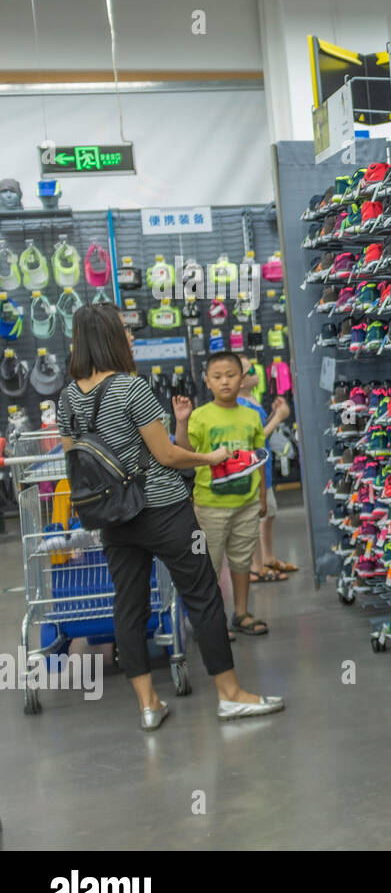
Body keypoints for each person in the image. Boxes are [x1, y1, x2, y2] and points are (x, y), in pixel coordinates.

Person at [57, 303, 283, 730]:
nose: (130, 336)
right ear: (108, 337)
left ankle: (147, 704)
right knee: (202, 594)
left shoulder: (66, 397)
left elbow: (74, 458)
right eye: (124, 330)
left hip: (112, 517)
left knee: (129, 605)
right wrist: (209, 456)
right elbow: (167, 456)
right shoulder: (130, 387)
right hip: (163, 510)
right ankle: (230, 695)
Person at [174, 351, 269, 636]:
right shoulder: (200, 416)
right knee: (209, 564)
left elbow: (258, 459)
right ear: (207, 382)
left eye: (231, 375)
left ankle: (241, 613)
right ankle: (211, 619)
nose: (225, 381)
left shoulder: (252, 417)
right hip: (210, 506)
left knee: (241, 561)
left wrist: (262, 496)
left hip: (246, 502)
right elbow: (184, 451)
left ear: (242, 379)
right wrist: (181, 420)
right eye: (217, 377)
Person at [236, 354, 295, 582]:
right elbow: (255, 437)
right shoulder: (241, 405)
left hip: (265, 468)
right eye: (251, 371)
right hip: (255, 471)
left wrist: (273, 414)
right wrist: (279, 417)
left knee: (269, 513)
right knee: (257, 516)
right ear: (240, 381)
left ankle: (268, 558)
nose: (256, 374)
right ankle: (256, 567)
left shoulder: (251, 400)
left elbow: (260, 428)